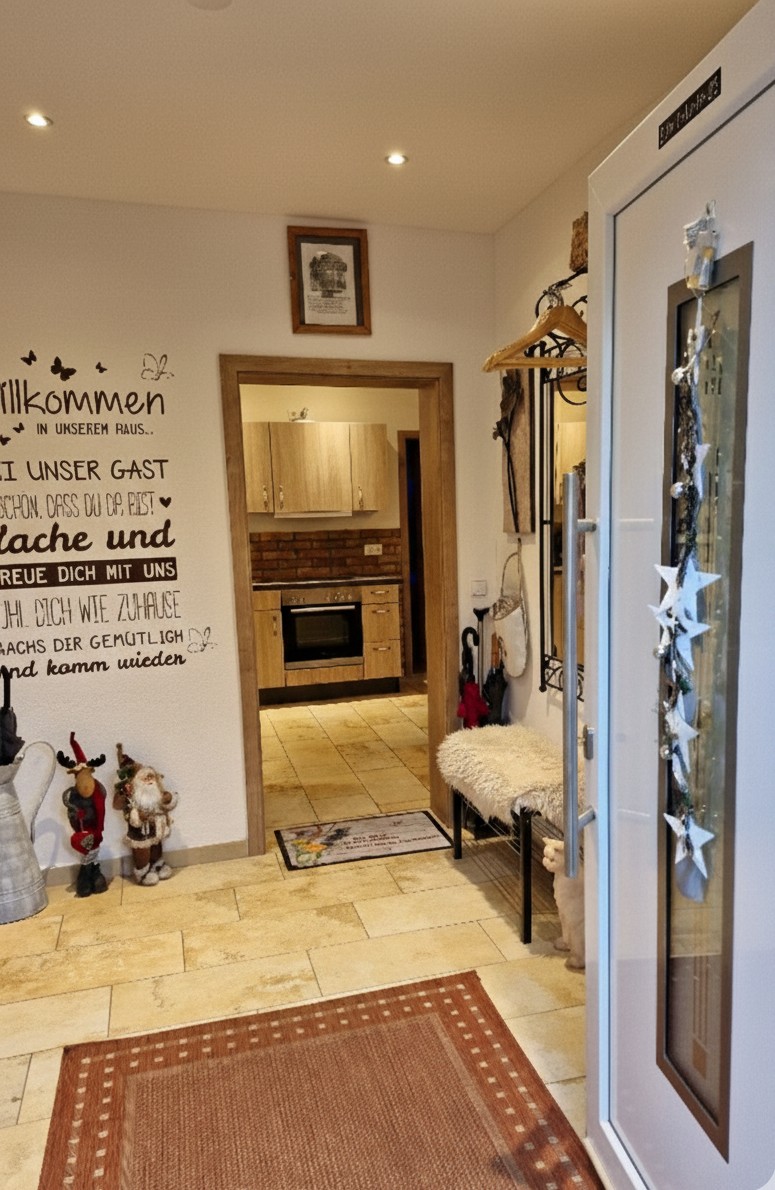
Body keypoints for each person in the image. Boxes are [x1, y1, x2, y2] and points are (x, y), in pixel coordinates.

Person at [113, 743, 178, 885]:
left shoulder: (157, 793)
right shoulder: (132, 796)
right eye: (145, 779)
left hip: (157, 828)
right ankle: (142, 871)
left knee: (156, 846)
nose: (149, 781)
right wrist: (137, 815)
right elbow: (118, 806)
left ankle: (157, 864)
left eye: (151, 778)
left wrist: (168, 799)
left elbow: (168, 803)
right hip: (140, 831)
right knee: (142, 850)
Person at [58, 733, 108, 897]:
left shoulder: (98, 792)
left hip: (95, 830)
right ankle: (87, 873)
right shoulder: (72, 795)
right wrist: (77, 815)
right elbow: (71, 813)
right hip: (83, 830)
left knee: (94, 847)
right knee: (85, 847)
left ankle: (92, 872)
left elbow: (100, 810)